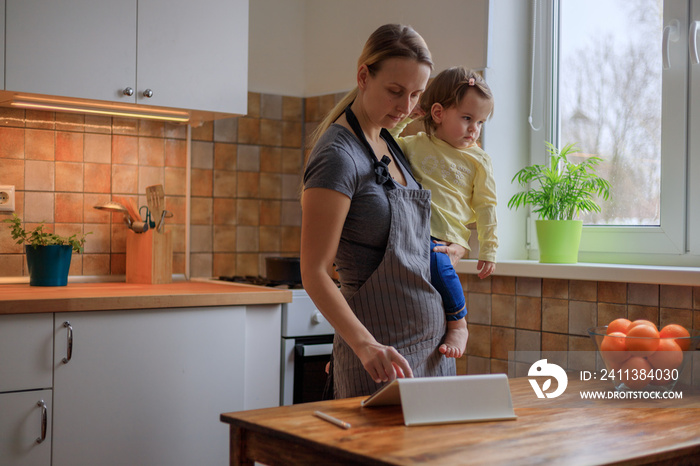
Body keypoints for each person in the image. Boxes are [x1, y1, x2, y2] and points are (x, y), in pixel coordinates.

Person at [300, 24, 465, 399]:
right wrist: (361, 344)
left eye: (416, 94)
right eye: (395, 92)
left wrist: (442, 246)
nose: (406, 107)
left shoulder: (389, 140)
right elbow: (313, 271)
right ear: (363, 76)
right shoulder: (337, 157)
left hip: (431, 355)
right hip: (381, 361)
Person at [391, 67, 498, 359]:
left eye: (480, 122)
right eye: (467, 118)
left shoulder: (479, 160)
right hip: (410, 230)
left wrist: (488, 248)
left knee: (438, 264)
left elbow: (487, 206)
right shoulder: (415, 145)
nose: (474, 129)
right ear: (438, 113)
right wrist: (405, 120)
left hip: (445, 236)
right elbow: (383, 143)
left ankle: (459, 322)